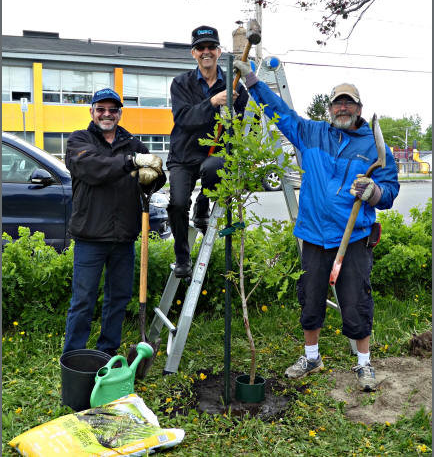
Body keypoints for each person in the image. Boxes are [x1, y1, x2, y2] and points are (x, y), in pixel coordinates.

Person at [233, 61, 400, 391]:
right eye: (338, 102)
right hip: (313, 234)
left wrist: (375, 192)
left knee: (355, 300)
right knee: (310, 297)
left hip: (353, 237)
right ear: (330, 108)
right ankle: (312, 356)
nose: (342, 107)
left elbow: (390, 191)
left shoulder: (373, 145)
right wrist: (253, 81)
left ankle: (364, 364)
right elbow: (279, 113)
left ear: (359, 108)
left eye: (348, 103)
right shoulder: (312, 133)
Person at [63, 88, 166, 356]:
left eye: (113, 109)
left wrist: (153, 175)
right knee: (83, 301)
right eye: (101, 109)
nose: (107, 114)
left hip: (124, 237)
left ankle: (106, 352)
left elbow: (157, 177)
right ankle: (73, 356)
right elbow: (93, 169)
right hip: (90, 236)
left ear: (120, 113)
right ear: (92, 112)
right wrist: (131, 162)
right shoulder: (78, 140)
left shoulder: (133, 143)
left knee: (118, 299)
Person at [167, 25, 248, 278]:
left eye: (211, 47)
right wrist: (213, 102)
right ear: (193, 53)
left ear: (219, 51)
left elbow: (239, 127)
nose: (206, 52)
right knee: (178, 203)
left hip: (213, 154)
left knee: (214, 167)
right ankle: (182, 258)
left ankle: (202, 205)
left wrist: (233, 108)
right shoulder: (180, 84)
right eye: (200, 48)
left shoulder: (235, 88)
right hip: (183, 155)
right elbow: (184, 119)